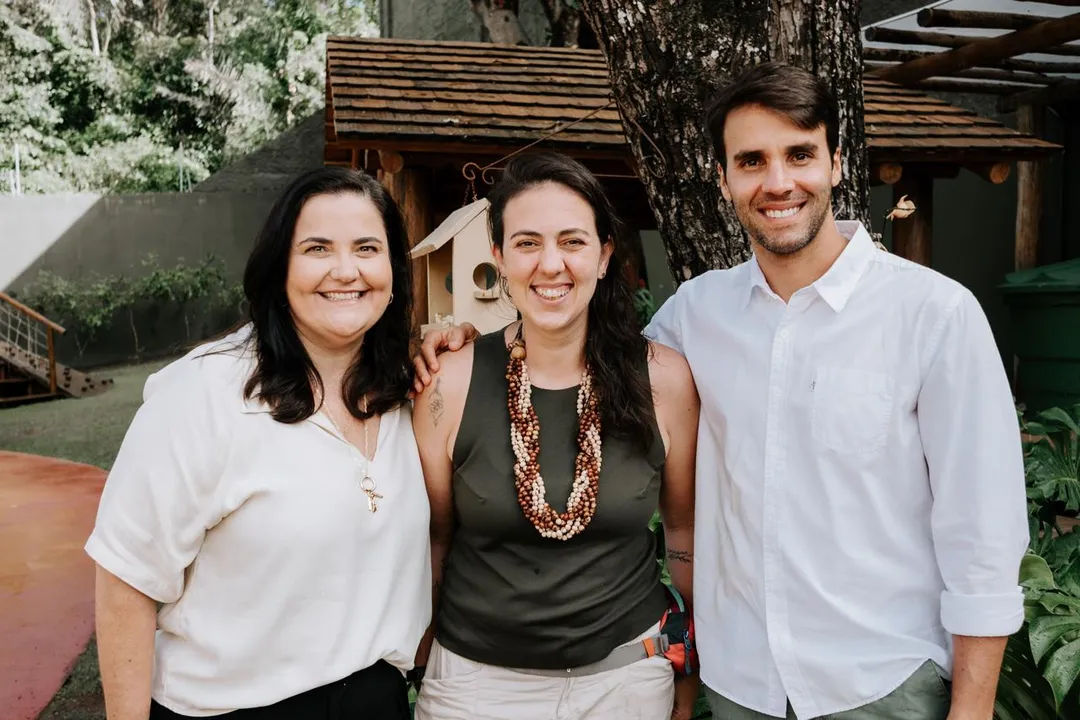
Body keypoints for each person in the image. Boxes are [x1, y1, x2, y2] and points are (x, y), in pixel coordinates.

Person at [414, 63, 1029, 720]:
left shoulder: (934, 315)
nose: (778, 181)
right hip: (743, 689)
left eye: (799, 155)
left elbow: (983, 540)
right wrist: (453, 334)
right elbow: (570, 347)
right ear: (724, 178)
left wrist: (971, 711)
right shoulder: (695, 318)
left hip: (881, 685)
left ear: (837, 163)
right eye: (751, 160)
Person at [86, 167, 431, 720]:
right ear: (279, 268)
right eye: (318, 248)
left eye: (367, 248)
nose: (346, 270)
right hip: (232, 709)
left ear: (393, 270)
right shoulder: (203, 392)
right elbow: (127, 578)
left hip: (376, 701)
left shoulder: (406, 389)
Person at [409, 152, 700, 720]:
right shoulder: (450, 381)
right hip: (474, 687)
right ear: (498, 256)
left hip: (627, 680)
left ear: (604, 254)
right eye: (526, 243)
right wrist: (420, 662)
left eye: (572, 241)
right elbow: (433, 541)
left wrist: (689, 663)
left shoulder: (663, 379)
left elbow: (684, 528)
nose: (550, 264)